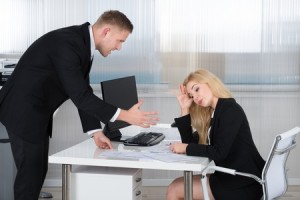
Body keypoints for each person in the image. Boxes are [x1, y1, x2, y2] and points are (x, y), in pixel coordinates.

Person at [0, 10, 159, 200]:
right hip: (23, 112)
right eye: (120, 41)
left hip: (37, 113)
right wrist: (125, 115)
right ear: (106, 32)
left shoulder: (82, 44)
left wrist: (95, 131)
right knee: (30, 178)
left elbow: (82, 90)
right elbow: (81, 96)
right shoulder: (68, 44)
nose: (119, 48)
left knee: (37, 173)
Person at [166, 69, 265, 200]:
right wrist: (184, 108)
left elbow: (219, 152)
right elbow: (189, 142)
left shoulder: (229, 109)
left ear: (210, 83)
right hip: (232, 178)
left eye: (197, 89)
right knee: (176, 185)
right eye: (191, 95)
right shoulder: (215, 112)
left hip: (243, 183)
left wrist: (185, 148)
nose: (195, 97)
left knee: (175, 189)